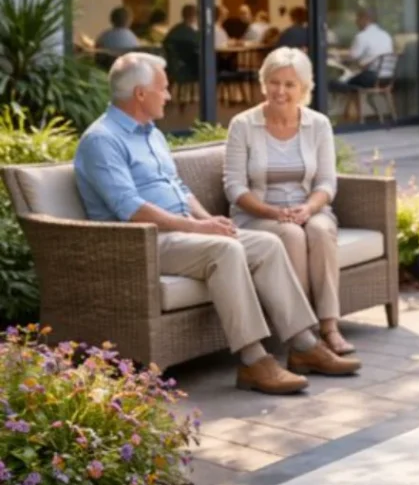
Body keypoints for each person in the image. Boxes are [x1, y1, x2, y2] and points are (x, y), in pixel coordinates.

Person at [73, 53, 361, 394]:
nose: (168, 96)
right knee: (225, 251)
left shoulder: (151, 134)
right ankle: (254, 362)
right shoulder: (102, 140)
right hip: (141, 241)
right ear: (140, 94)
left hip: (180, 233)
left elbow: (179, 189)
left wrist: (209, 220)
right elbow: (130, 208)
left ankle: (304, 346)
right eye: (163, 89)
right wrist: (195, 228)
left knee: (267, 244)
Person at [224, 47, 354, 355]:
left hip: (308, 207)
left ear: (304, 89)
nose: (280, 91)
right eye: (274, 82)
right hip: (257, 213)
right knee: (292, 234)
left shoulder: (318, 124)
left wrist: (308, 207)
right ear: (263, 82)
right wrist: (275, 212)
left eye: (289, 84)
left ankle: (329, 326)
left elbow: (326, 182)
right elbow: (234, 187)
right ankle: (303, 334)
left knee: (321, 231)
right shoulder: (243, 125)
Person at [338, 10, 394, 89]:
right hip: (387, 77)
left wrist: (338, 58)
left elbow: (352, 57)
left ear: (366, 19)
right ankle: (358, 100)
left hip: (370, 78)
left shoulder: (362, 36)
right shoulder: (386, 35)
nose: (356, 22)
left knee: (334, 83)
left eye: (358, 19)